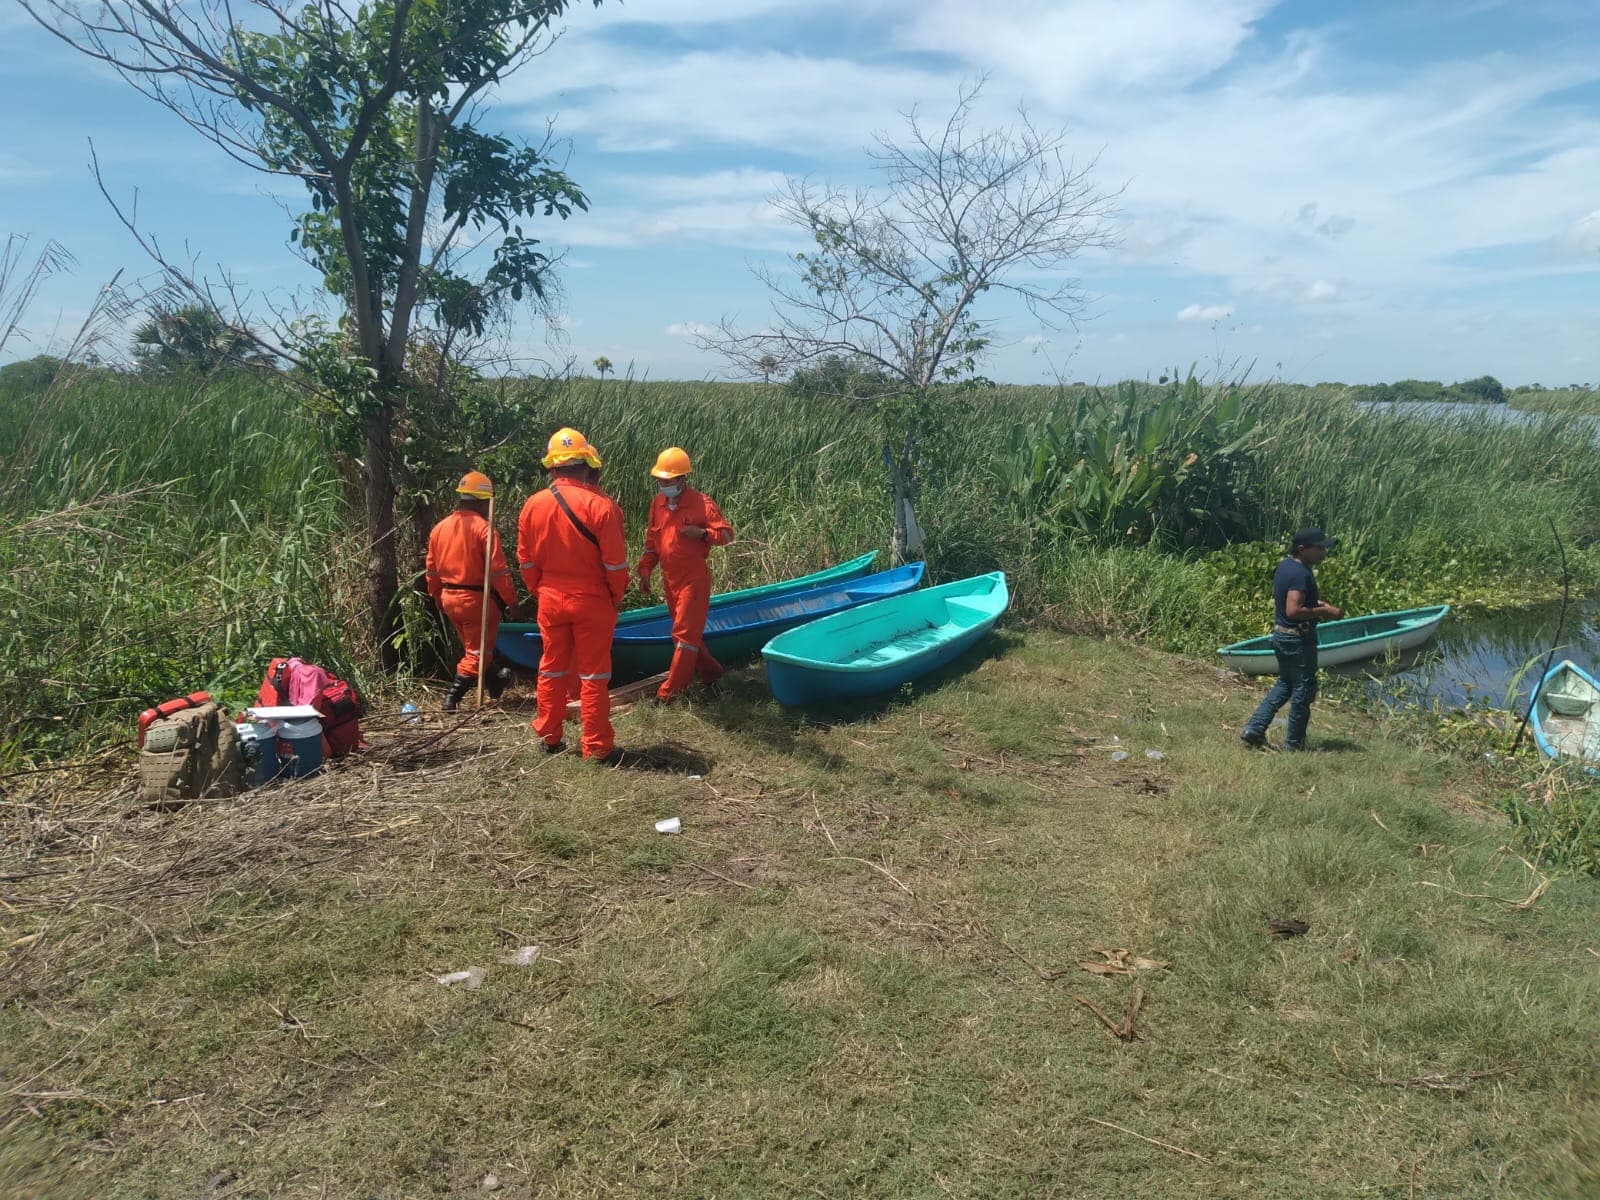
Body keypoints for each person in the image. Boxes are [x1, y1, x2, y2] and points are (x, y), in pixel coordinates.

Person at [516, 428, 631, 764]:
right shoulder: (603, 506)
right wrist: (615, 596)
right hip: (592, 599)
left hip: (550, 597)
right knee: (593, 675)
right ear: (587, 465)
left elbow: (525, 561)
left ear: (553, 468)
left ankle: (549, 736)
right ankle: (596, 747)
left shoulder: (533, 505)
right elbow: (615, 565)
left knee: (551, 668)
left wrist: (540, 589)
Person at [636, 447, 735, 703]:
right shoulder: (657, 504)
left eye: (667, 480)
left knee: (683, 635)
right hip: (670, 580)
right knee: (686, 635)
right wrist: (645, 569)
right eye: (660, 480)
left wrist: (702, 534)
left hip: (694, 580)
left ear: (682, 480)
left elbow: (726, 535)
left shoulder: (702, 503)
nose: (662, 484)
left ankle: (669, 694)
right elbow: (652, 542)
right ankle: (712, 674)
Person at [1241, 527, 1345, 751]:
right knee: (1303, 690)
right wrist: (1324, 612)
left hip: (1282, 636)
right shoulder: (1300, 573)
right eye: (1319, 548)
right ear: (1302, 549)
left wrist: (1320, 606)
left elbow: (1296, 602)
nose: (1323, 552)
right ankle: (1294, 746)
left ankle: (1254, 728)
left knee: (1285, 684)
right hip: (1297, 640)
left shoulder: (1286, 566)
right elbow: (1293, 610)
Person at [425, 471, 518, 711]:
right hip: (476, 601)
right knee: (478, 654)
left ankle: (496, 680)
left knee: (475, 649)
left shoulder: (439, 528)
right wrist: (511, 601)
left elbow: (432, 569)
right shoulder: (484, 529)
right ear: (482, 501)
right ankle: (451, 698)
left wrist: (435, 594)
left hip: (449, 598)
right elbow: (498, 572)